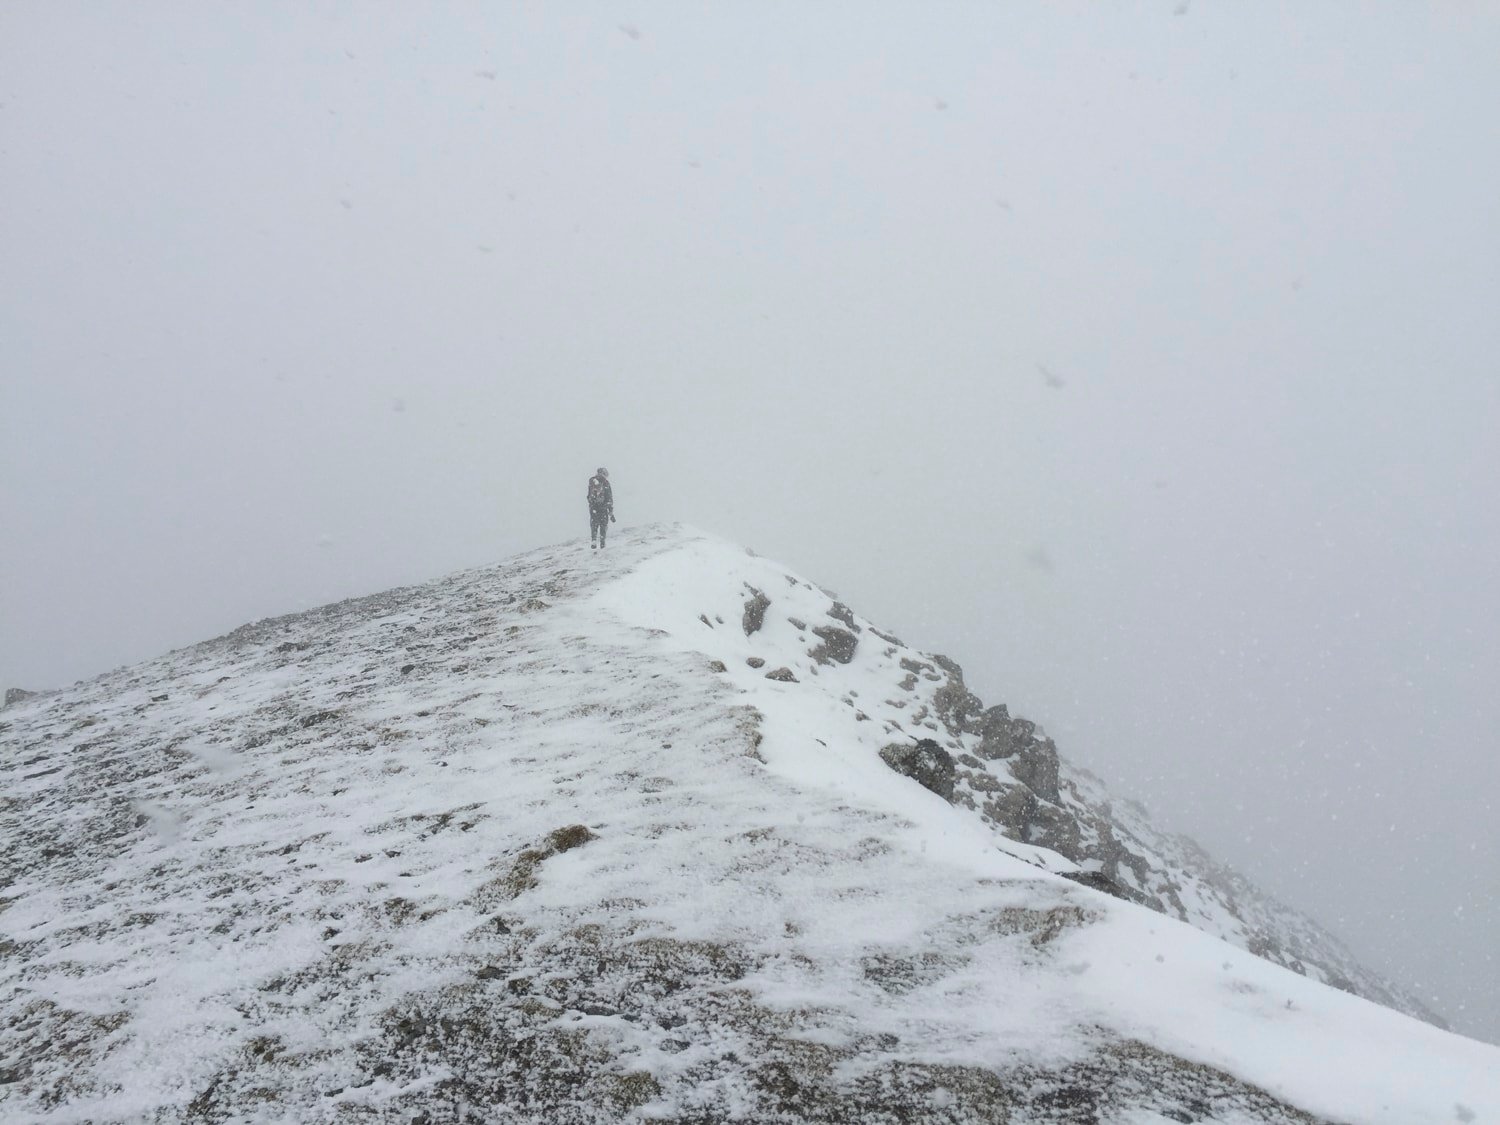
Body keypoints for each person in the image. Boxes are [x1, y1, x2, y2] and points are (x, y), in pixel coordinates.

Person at [587, 467, 615, 549]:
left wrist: (591, 502)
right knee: (603, 525)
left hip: (593, 507)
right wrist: (611, 512)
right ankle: (602, 543)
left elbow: (589, 495)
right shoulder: (606, 483)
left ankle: (594, 540)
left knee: (594, 524)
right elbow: (609, 498)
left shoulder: (592, 481)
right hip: (603, 507)